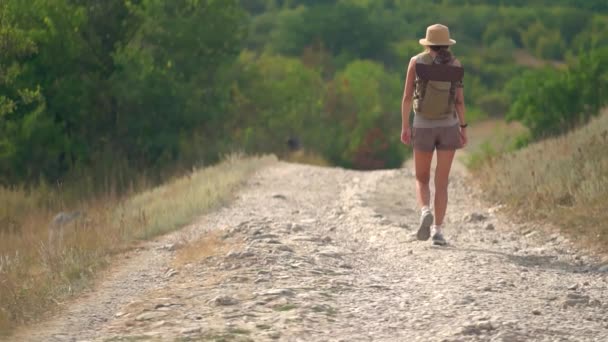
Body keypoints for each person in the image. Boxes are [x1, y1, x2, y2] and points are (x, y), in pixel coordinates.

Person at [400, 24, 467, 246]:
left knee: (421, 178)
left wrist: (405, 126)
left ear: (427, 43)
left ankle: (424, 211)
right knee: (442, 182)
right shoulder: (456, 65)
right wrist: (463, 128)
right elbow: (459, 101)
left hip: (423, 125)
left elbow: (408, 97)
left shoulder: (416, 62)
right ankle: (438, 231)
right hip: (449, 126)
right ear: (447, 43)